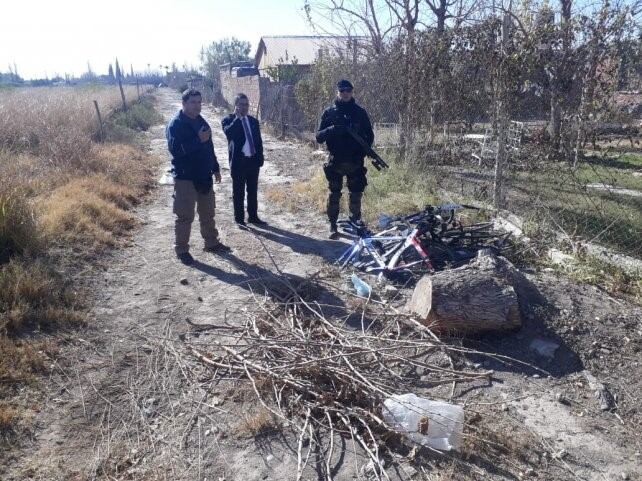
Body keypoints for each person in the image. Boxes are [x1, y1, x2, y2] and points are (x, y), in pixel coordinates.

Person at [166, 89, 229, 265]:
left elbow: (209, 147)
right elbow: (176, 151)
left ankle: (211, 242)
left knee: (208, 213)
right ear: (184, 103)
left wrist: (215, 168)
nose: (197, 106)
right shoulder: (176, 124)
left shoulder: (201, 121)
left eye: (199, 102)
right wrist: (197, 141)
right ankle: (182, 249)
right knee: (185, 216)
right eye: (193, 102)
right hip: (186, 178)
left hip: (204, 175)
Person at [316, 79, 374, 239]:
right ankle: (333, 225)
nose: (346, 93)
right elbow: (319, 137)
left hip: (355, 161)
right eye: (342, 91)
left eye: (348, 90)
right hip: (336, 161)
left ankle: (355, 223)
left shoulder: (360, 113)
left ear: (352, 92)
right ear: (338, 92)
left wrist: (361, 151)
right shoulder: (329, 112)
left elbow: (370, 136)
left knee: (356, 194)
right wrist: (332, 129)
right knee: (334, 194)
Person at [221, 93, 267, 227]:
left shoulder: (253, 121)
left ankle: (253, 217)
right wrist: (238, 119)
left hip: (252, 162)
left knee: (252, 191)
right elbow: (229, 134)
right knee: (238, 192)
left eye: (246, 104)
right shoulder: (228, 120)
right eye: (241, 104)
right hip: (238, 163)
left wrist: (260, 158)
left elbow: (258, 142)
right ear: (235, 106)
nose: (244, 107)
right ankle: (239, 219)